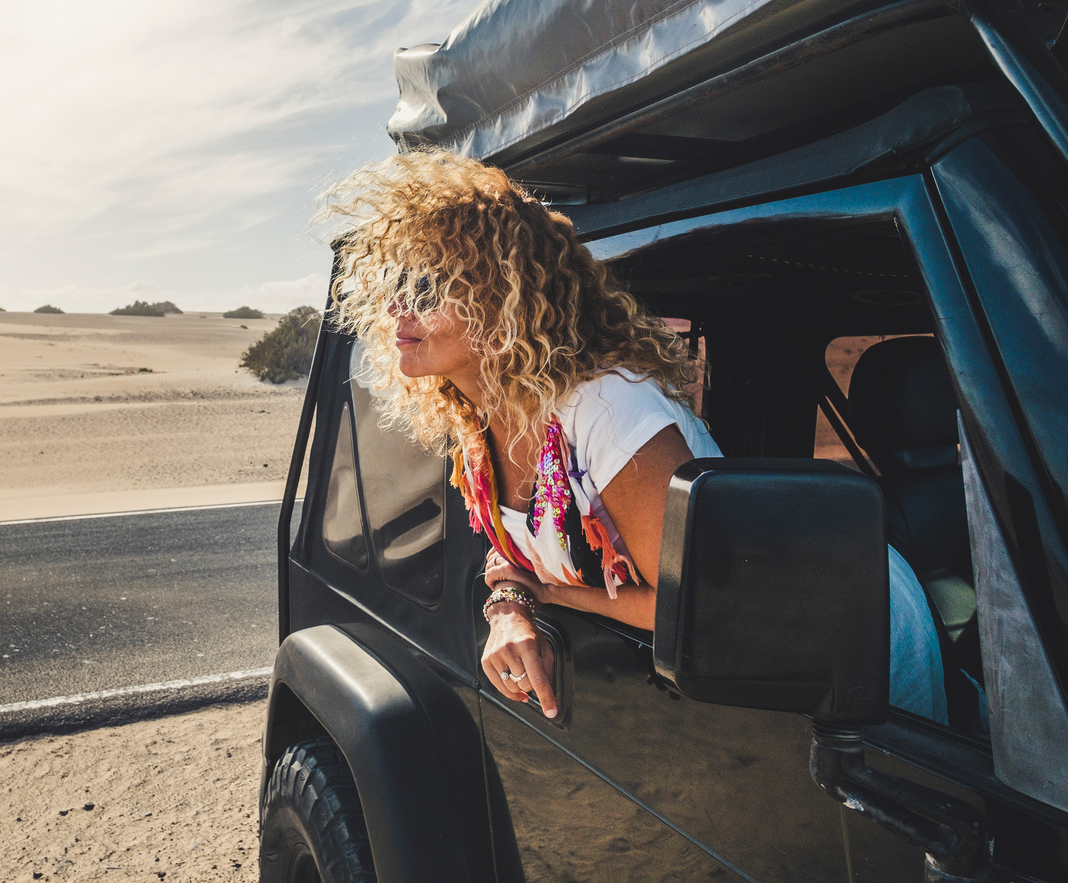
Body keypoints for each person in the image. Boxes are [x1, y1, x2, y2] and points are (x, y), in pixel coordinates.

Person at [327, 149, 947, 725]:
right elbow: (519, 549)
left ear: (502, 297)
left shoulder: (606, 407)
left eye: (428, 288)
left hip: (844, 625)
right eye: (394, 285)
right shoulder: (476, 416)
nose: (396, 310)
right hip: (752, 660)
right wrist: (511, 605)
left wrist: (551, 595)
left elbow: (691, 604)